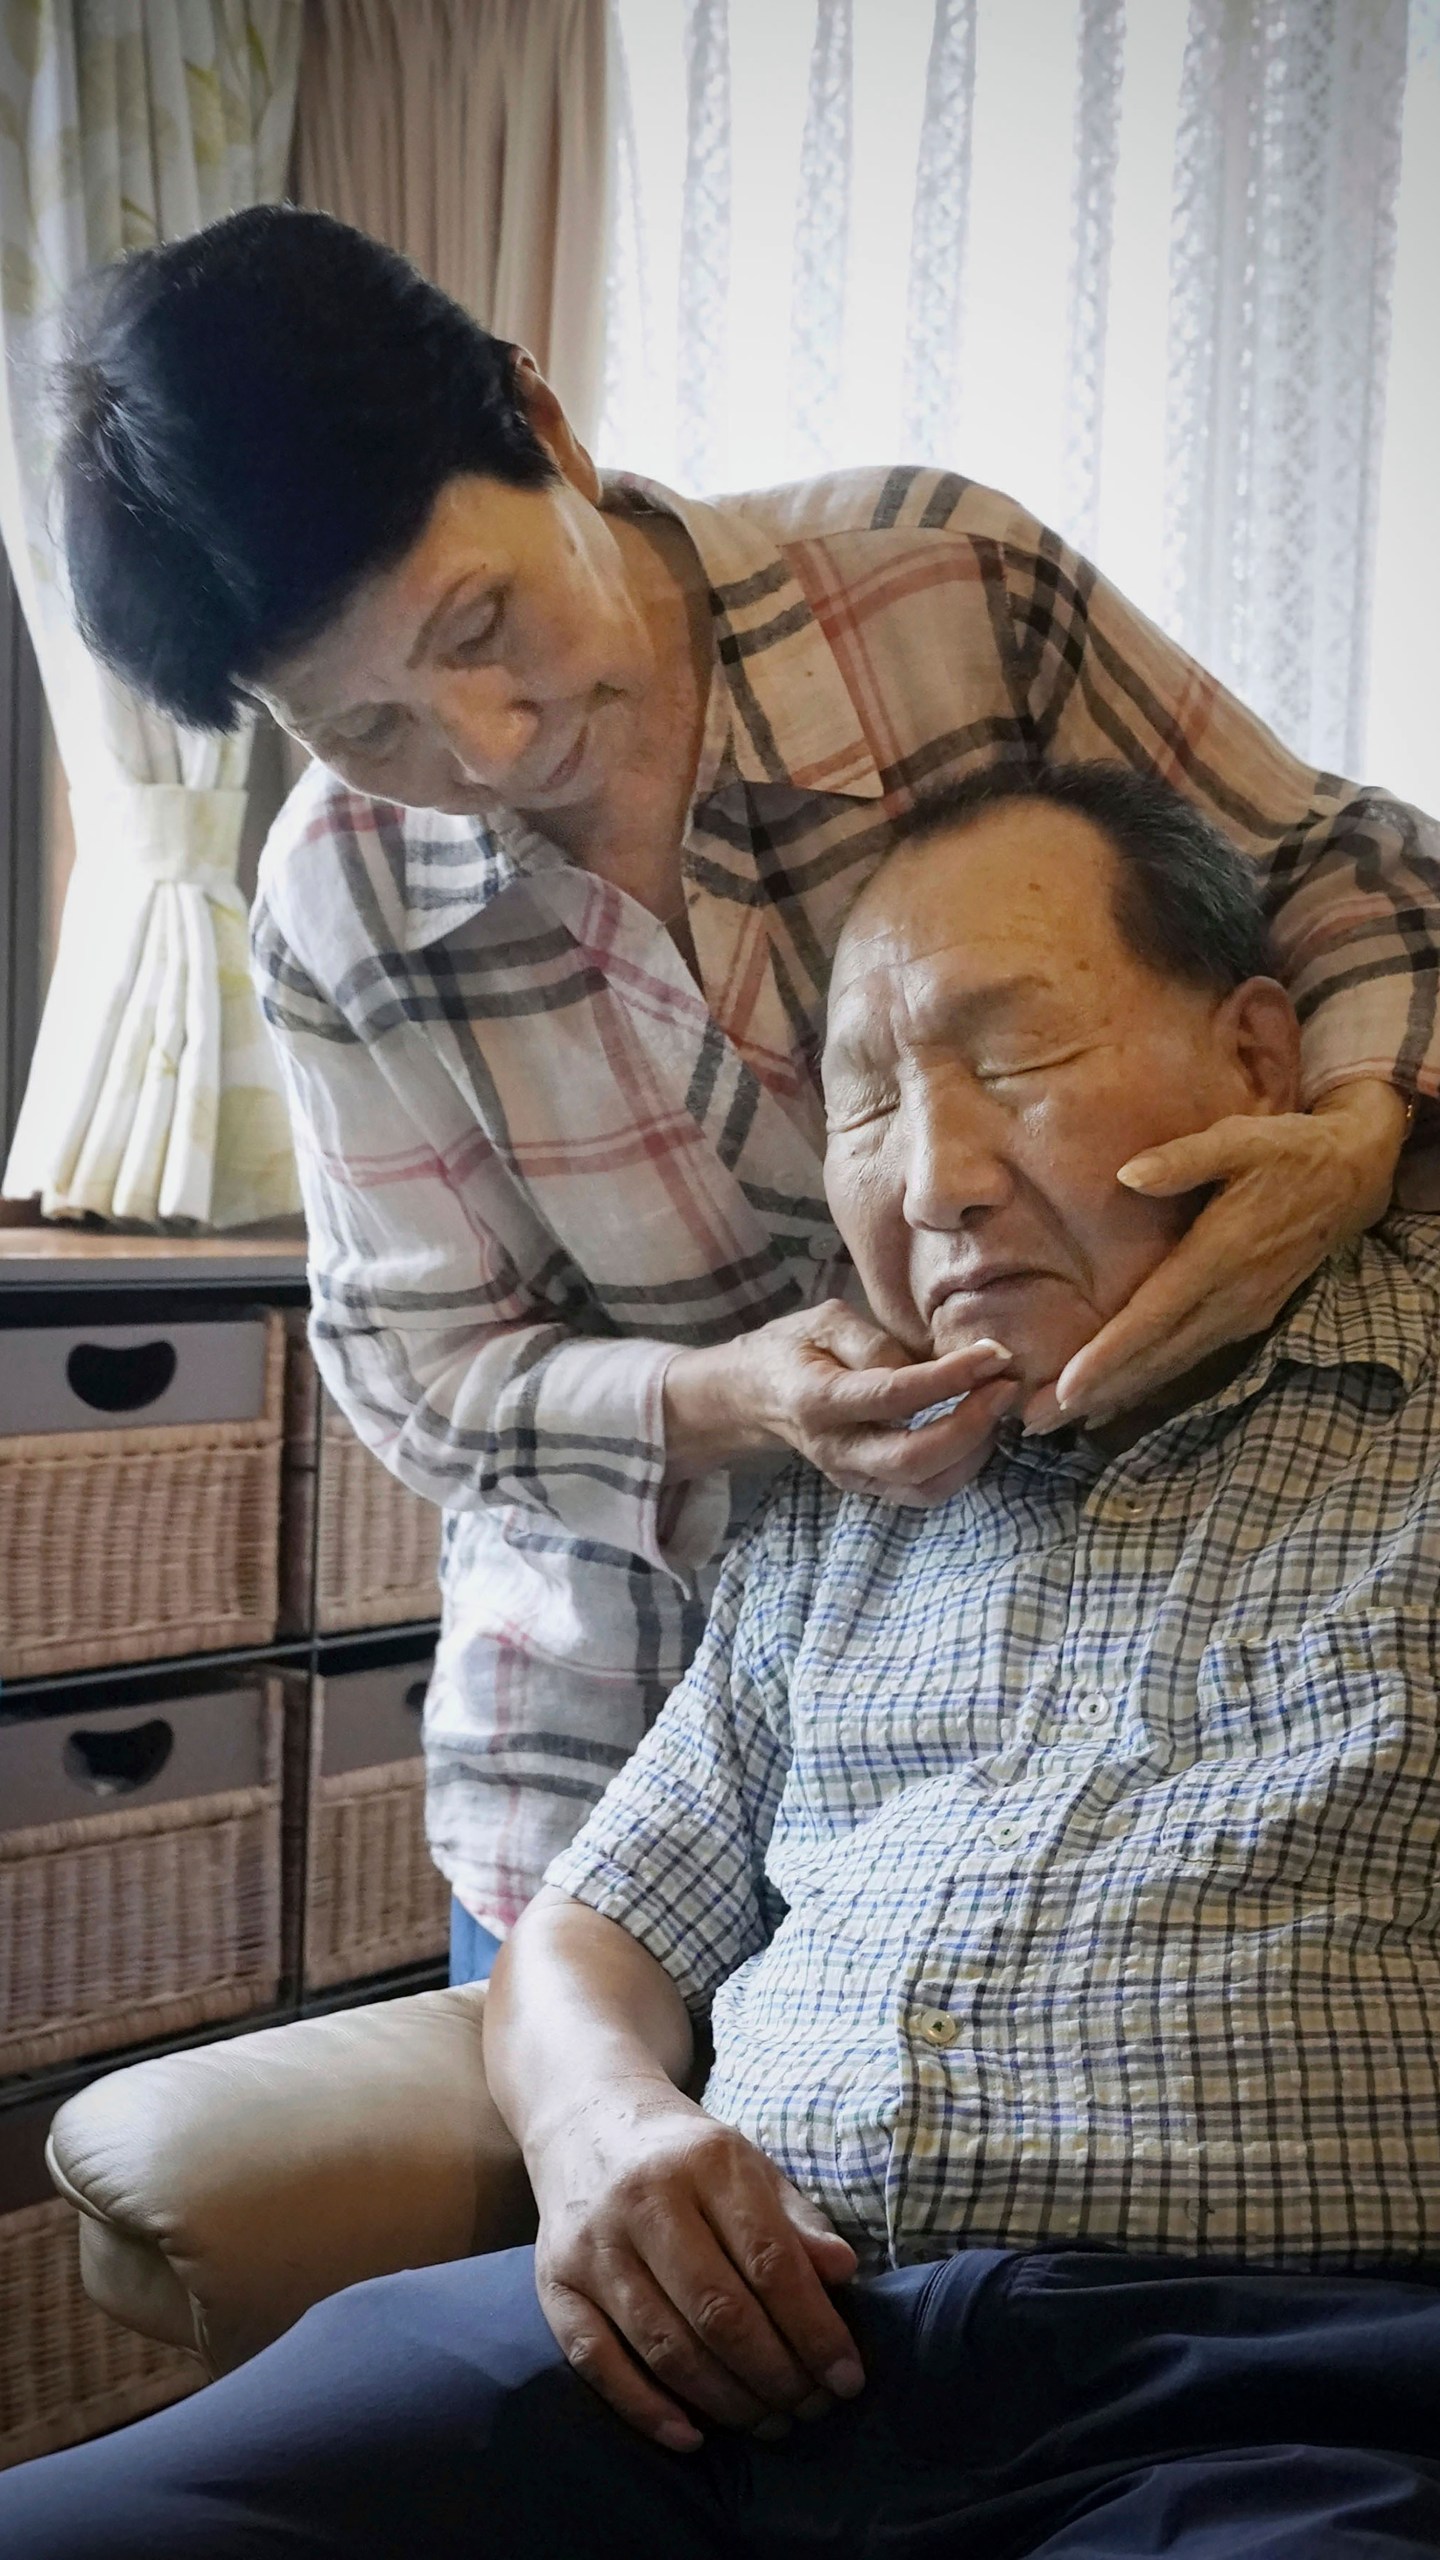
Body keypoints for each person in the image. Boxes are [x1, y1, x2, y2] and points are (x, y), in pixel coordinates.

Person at [11, 760, 1440, 2556]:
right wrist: (602, 2128)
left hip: (1262, 2401)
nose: (939, 1182)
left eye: (1014, 1061)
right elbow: (598, 1930)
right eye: (867, 1111)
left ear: (1254, 1056)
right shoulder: (853, 1497)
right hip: (694, 2387)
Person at [57, 206, 1439, 1981]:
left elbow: (1353, 868)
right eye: (364, 725)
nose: (480, 747)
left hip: (1075, 1677)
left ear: (542, 425)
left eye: (482, 622)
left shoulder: (943, 592)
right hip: (620, 1744)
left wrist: (1353, 1132)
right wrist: (735, 1396)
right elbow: (421, 1379)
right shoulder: (342, 902)